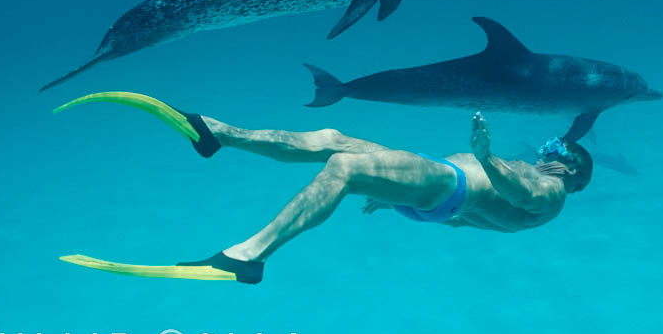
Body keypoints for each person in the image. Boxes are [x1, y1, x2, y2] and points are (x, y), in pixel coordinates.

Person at [54, 92, 594, 285]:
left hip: (446, 182)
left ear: (571, 170)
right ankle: (216, 133)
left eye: (559, 150)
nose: (549, 148)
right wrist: (402, 202)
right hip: (436, 188)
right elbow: (484, 218)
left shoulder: (552, 196)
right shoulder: (538, 183)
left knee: (341, 165)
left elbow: (518, 202)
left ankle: (247, 256)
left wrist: (480, 159)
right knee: (333, 137)